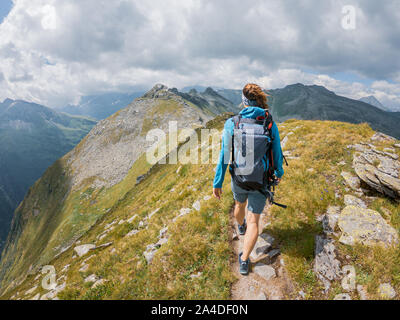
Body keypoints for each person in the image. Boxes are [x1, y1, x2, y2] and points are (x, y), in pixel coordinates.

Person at [212, 83, 284, 275]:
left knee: (239, 207)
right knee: (255, 221)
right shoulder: (268, 122)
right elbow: (277, 152)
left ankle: (240, 226)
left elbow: (224, 155)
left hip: (239, 179)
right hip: (261, 180)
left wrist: (217, 182)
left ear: (244, 102)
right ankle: (244, 260)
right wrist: (279, 173)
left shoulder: (232, 123)